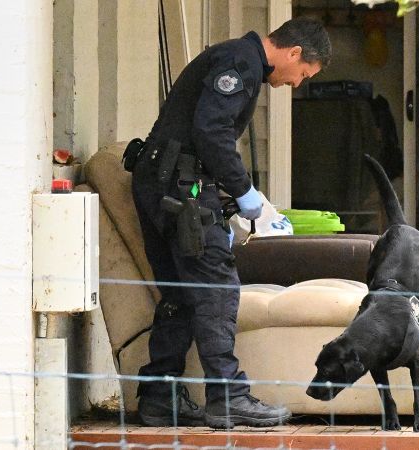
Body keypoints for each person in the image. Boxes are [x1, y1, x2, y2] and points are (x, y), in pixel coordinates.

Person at [125, 17, 332, 428]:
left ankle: (159, 397)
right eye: (303, 74)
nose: (297, 84)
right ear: (294, 53)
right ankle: (228, 396)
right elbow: (212, 131)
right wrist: (243, 190)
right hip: (181, 190)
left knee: (181, 292)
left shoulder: (236, 58)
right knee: (217, 286)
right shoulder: (240, 62)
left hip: (160, 184)